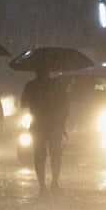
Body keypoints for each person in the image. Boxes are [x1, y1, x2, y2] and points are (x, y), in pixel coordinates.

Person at [20, 67, 69, 195]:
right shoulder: (56, 85)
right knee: (55, 154)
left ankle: (43, 186)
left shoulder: (31, 85)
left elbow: (23, 104)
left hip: (39, 124)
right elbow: (65, 104)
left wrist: (36, 101)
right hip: (53, 124)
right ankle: (54, 183)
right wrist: (62, 122)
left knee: (40, 155)